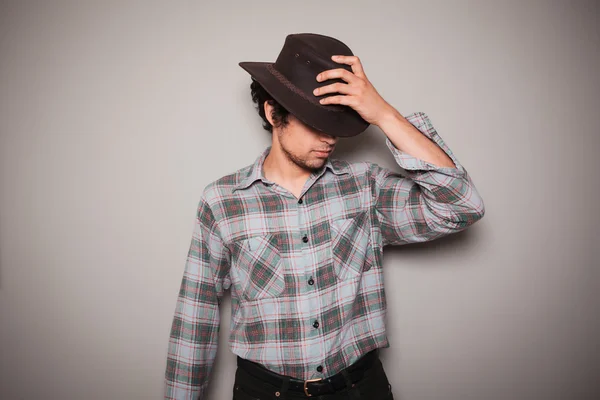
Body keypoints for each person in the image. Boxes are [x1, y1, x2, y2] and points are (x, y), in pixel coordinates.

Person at [164, 33, 485, 400]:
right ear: (273, 112)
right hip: (264, 391)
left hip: (359, 389)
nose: (329, 138)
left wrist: (383, 113)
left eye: (336, 124)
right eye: (315, 122)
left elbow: (462, 206)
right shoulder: (222, 201)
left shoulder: (366, 187)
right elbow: (195, 319)